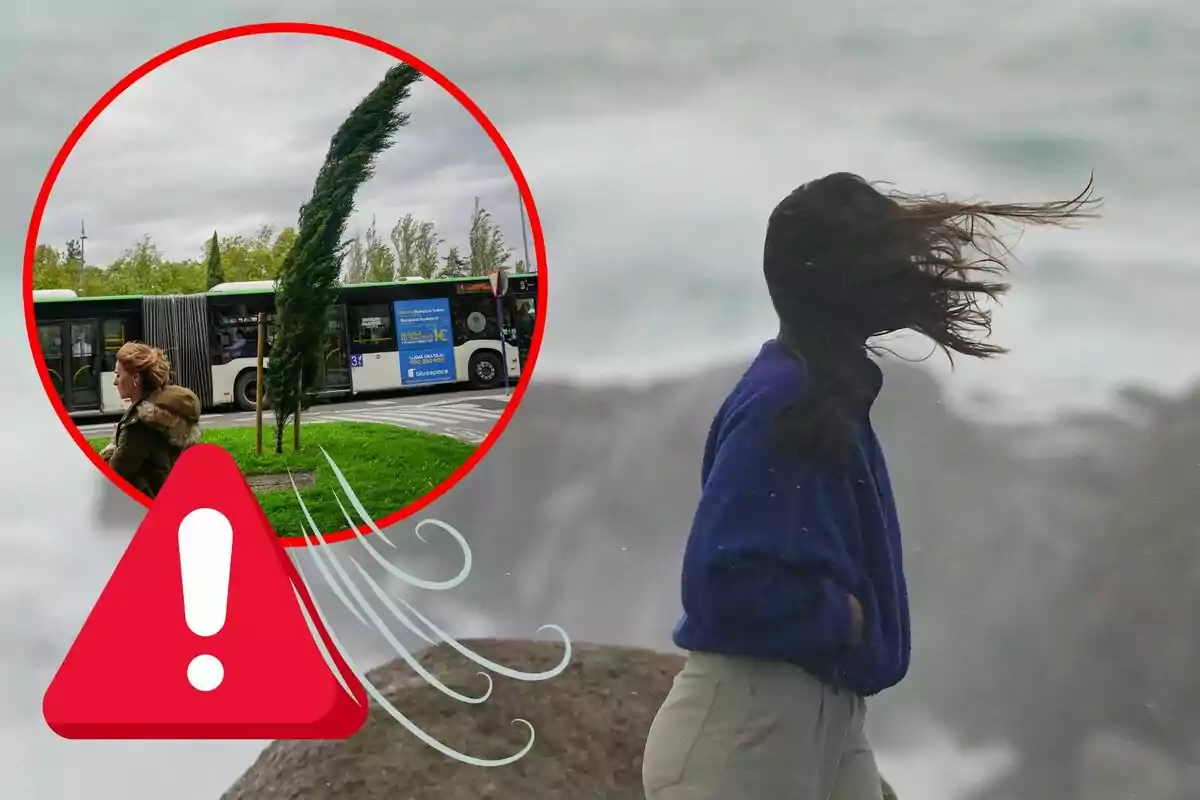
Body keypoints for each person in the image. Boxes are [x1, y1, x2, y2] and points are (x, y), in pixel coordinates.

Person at [641, 172, 1099, 800]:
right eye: (885, 255)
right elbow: (722, 580)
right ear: (844, 282)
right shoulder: (784, 400)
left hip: (818, 717)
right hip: (746, 730)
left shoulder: (821, 391)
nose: (907, 266)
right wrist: (844, 617)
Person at [99, 341, 202, 499]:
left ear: (136, 377)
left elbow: (114, 476)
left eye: (118, 375)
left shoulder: (140, 423)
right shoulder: (164, 409)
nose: (115, 381)